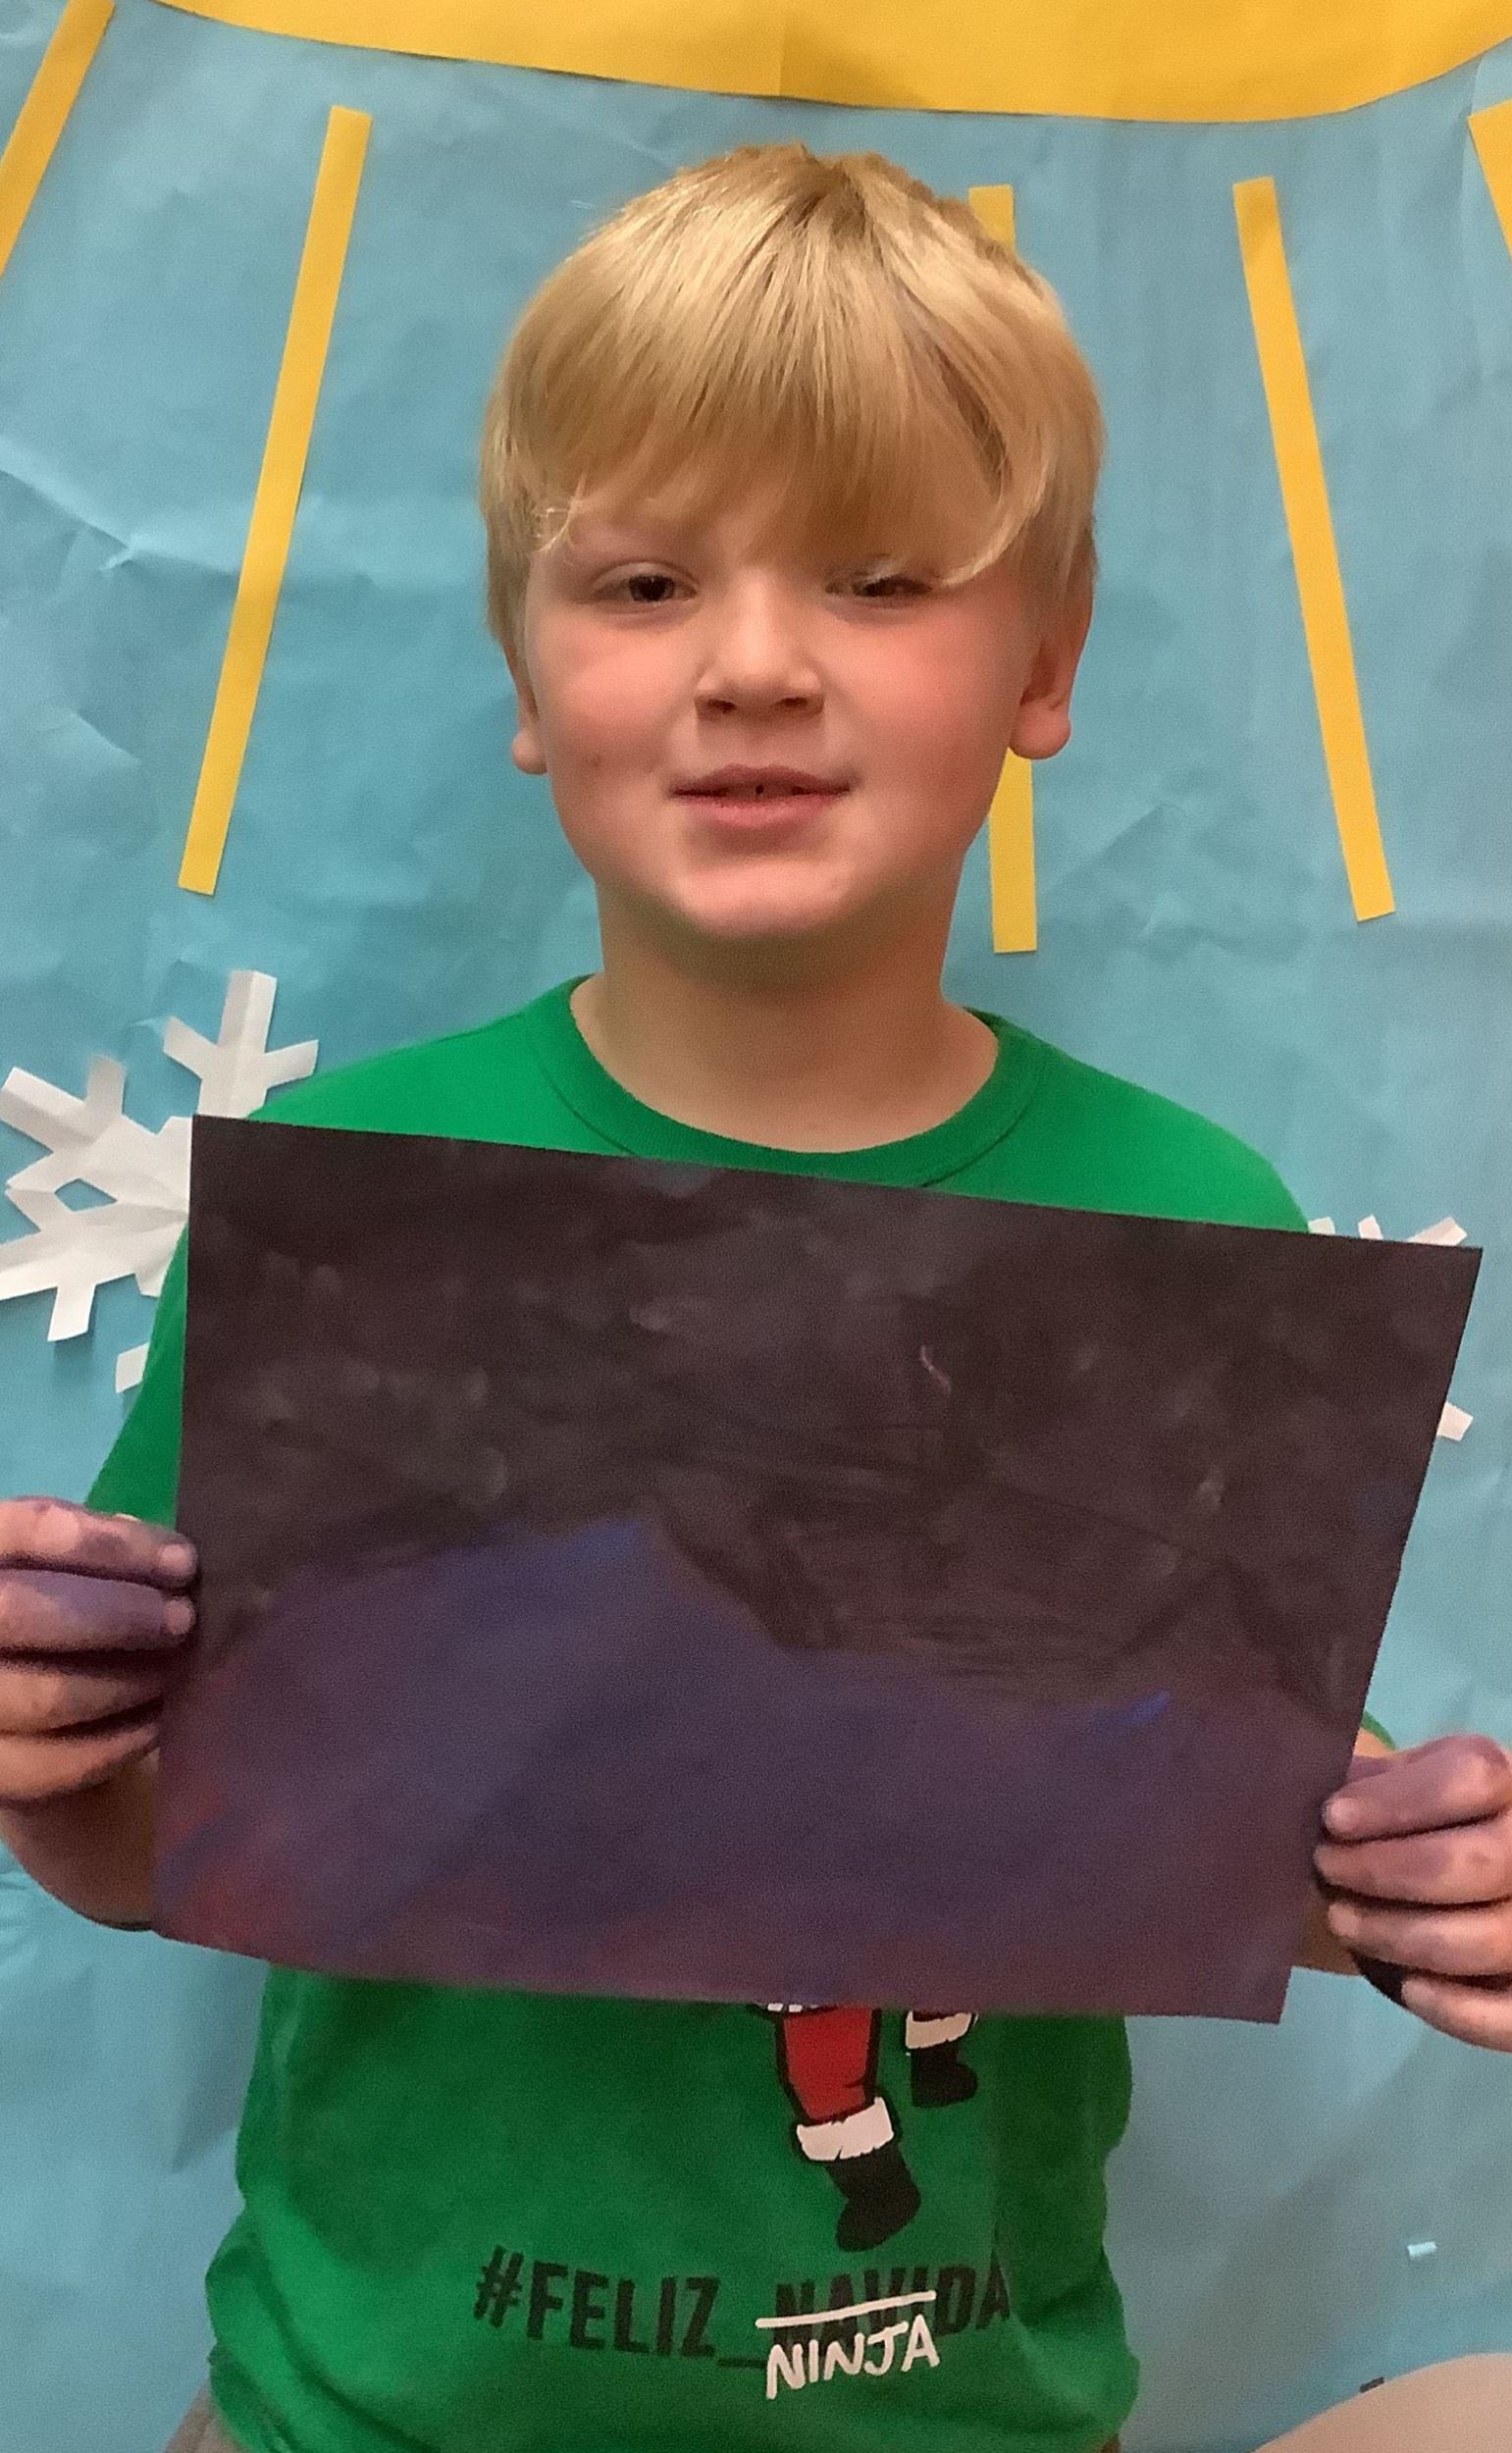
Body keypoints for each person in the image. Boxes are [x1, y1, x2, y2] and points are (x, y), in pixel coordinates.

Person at [0, 141, 1508, 2453]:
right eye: (644, 579)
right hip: (350, 2422)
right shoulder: (362, 1213)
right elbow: (159, 1844)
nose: (758, 664)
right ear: (529, 666)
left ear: (1047, 658)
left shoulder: (1182, 1215)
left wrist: (1423, 1879)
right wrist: (46, 1757)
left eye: (882, 576)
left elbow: (1194, 1837)